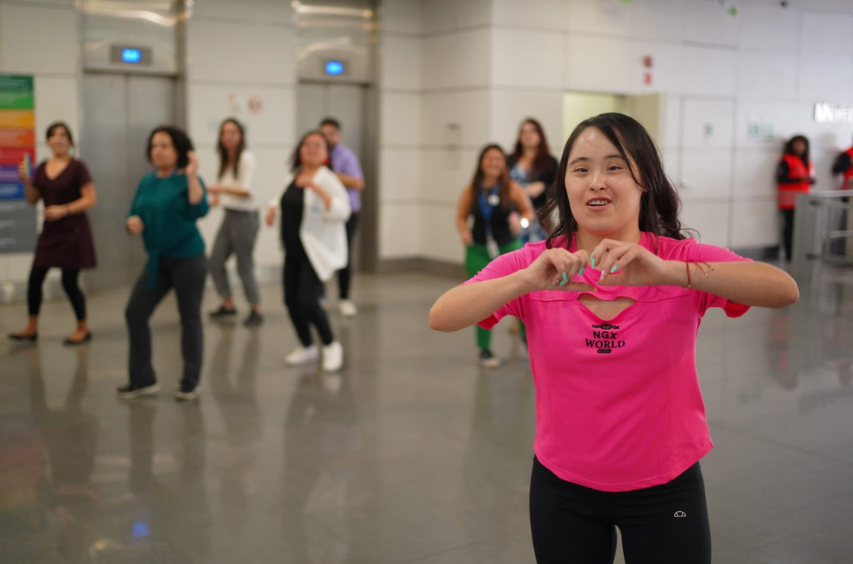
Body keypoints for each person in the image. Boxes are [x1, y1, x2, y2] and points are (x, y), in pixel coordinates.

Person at [430, 113, 799, 563]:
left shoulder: (676, 259)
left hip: (666, 486)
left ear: (645, 179)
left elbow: (783, 288)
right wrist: (524, 282)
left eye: (615, 166)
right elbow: (442, 315)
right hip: (562, 487)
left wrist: (667, 273)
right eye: (581, 169)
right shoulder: (538, 265)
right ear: (564, 183)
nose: (596, 182)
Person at [118, 126, 209, 401]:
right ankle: (143, 379)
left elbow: (200, 208)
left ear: (179, 150)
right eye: (154, 145)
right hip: (158, 259)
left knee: (189, 318)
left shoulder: (188, 180)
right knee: (135, 312)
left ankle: (190, 381)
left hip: (188, 259)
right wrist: (131, 224)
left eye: (165, 145)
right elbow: (134, 213)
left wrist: (191, 174)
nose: (158, 150)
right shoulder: (147, 181)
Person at [266, 131, 350, 373]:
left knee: (308, 301)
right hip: (292, 250)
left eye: (317, 145)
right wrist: (272, 209)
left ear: (325, 153)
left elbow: (342, 210)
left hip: (315, 251)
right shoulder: (294, 176)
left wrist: (315, 188)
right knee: (290, 300)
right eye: (307, 144)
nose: (311, 148)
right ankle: (306, 346)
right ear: (299, 151)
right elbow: (280, 198)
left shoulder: (327, 179)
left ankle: (331, 345)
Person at [8, 122, 97, 346]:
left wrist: (64, 209)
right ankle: (32, 327)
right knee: (35, 278)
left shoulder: (78, 167)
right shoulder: (41, 167)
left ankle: (82, 328)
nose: (58, 139)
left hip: (73, 230)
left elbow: (90, 199)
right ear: (48, 141)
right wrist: (28, 182)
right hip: (51, 231)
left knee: (69, 281)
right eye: (53, 135)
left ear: (70, 140)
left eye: (63, 135)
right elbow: (32, 200)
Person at [456, 144, 534, 368]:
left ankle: (528, 340)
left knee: (520, 296)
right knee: (481, 299)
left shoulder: (511, 188)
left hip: (509, 248)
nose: (494, 163)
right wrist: (463, 231)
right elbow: (461, 217)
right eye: (489, 159)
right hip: (478, 251)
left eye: (498, 159)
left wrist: (522, 222)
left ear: (504, 164)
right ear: (481, 162)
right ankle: (484, 349)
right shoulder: (472, 190)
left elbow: (527, 211)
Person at [207, 118, 263, 327]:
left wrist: (218, 190)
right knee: (215, 260)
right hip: (229, 215)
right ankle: (227, 304)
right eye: (224, 133)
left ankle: (255, 308)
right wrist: (208, 202)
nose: (228, 136)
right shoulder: (225, 159)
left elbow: (246, 191)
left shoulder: (246, 158)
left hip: (245, 217)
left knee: (244, 264)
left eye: (233, 132)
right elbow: (224, 193)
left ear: (241, 136)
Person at [320, 118, 364, 318]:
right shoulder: (317, 155)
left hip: (347, 214)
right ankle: (319, 296)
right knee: (320, 254)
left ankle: (344, 298)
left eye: (331, 133)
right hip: (322, 215)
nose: (327, 137)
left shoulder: (346, 156)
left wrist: (331, 175)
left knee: (344, 257)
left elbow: (358, 182)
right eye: (324, 133)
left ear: (338, 136)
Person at [506, 118, 559, 242]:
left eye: (532, 131)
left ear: (540, 135)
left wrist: (543, 187)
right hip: (512, 215)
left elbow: (559, 189)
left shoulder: (549, 162)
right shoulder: (510, 160)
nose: (528, 135)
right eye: (524, 132)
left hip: (538, 218)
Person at [776, 135, 815, 261]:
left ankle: (800, 253)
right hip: (789, 202)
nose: (800, 147)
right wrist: (799, 179)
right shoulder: (787, 160)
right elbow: (781, 178)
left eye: (802, 145)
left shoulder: (806, 161)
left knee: (802, 228)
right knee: (790, 228)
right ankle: (789, 254)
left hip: (804, 201)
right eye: (797, 144)